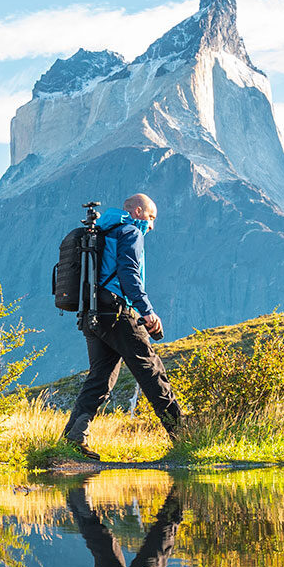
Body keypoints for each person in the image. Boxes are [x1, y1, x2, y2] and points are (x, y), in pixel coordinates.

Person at [62, 192, 184, 459]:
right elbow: (128, 273)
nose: (151, 226)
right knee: (151, 369)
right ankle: (184, 436)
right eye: (151, 218)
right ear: (138, 211)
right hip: (118, 311)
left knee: (100, 378)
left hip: (92, 313)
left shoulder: (100, 231)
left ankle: (73, 438)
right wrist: (147, 311)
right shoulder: (129, 231)